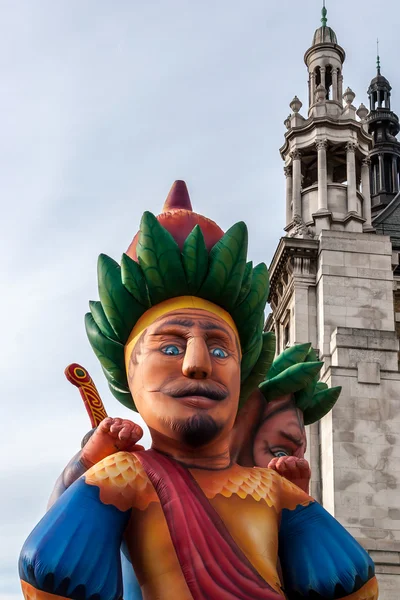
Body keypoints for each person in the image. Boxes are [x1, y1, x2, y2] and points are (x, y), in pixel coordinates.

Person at [19, 181, 378, 600]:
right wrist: (88, 462)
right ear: (128, 377)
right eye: (170, 346)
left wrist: (297, 517)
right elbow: (54, 574)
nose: (197, 363)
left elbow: (350, 586)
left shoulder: (274, 492)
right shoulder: (124, 477)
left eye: (220, 348)